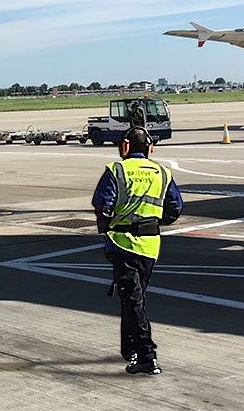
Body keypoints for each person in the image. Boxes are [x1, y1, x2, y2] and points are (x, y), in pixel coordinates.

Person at [92, 126, 182, 375]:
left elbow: (103, 205)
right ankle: (128, 348)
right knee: (132, 297)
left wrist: (110, 224)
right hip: (150, 246)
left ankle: (147, 355)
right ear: (150, 148)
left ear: (125, 146)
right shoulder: (162, 172)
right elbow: (175, 208)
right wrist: (151, 221)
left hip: (122, 244)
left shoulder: (116, 170)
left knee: (132, 301)